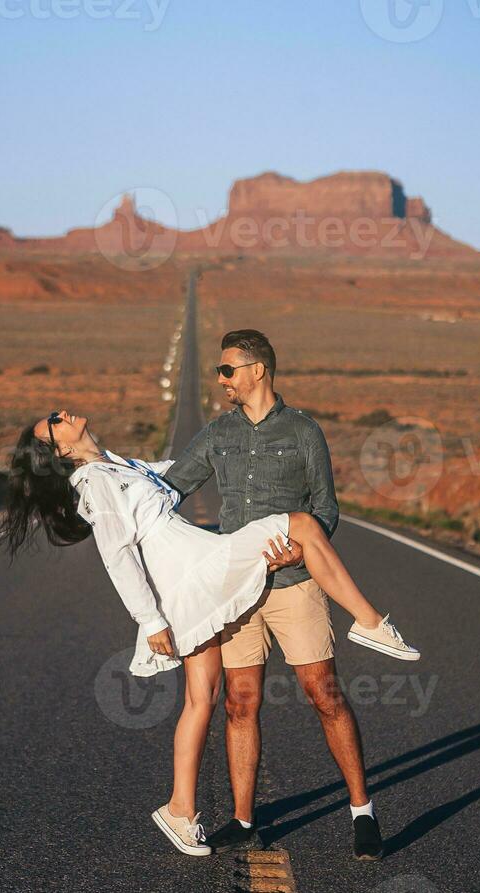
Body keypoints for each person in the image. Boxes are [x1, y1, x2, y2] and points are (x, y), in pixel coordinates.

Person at [0, 407, 418, 858]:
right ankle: (371, 623)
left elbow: (188, 469)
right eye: (53, 422)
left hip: (195, 580)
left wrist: (231, 435)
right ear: (60, 451)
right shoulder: (96, 483)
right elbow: (118, 556)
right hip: (194, 579)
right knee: (302, 524)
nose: (62, 413)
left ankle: (181, 808)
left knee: (203, 697)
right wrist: (150, 621)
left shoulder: (118, 466)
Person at [164, 329, 410, 862]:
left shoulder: (303, 431)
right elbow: (169, 490)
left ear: (258, 370)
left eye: (228, 370)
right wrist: (102, 476)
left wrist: (302, 552)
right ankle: (244, 819)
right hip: (236, 595)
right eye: (220, 371)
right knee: (240, 704)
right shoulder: (216, 433)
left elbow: (325, 507)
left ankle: (362, 812)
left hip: (296, 587)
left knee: (325, 694)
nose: (222, 379)